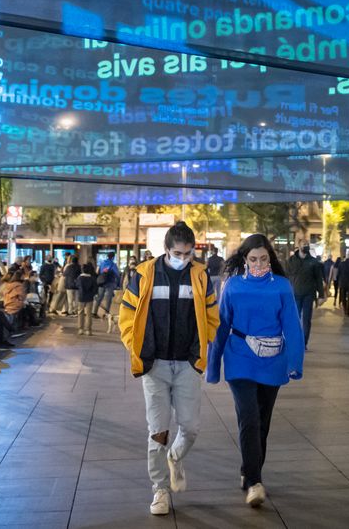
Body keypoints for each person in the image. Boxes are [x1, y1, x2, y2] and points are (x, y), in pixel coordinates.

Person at [118, 221, 219, 516]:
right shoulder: (144, 274)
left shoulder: (200, 276)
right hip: (155, 365)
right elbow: (126, 315)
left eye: (189, 253)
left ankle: (175, 457)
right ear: (166, 250)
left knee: (190, 427)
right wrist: (136, 348)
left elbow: (212, 315)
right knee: (158, 431)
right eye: (178, 253)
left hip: (187, 365)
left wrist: (200, 349)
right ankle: (160, 490)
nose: (184, 258)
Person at [208, 234, 304, 507]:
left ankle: (248, 471)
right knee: (248, 418)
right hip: (240, 359)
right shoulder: (233, 286)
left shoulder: (282, 287)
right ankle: (254, 481)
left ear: (270, 259)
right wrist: (213, 367)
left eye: (263, 258)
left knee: (262, 422)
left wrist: (295, 363)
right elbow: (222, 325)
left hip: (273, 360)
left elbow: (292, 327)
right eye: (253, 259)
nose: (259, 263)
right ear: (245, 259)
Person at [285, 240, 325, 349]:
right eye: (304, 244)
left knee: (306, 320)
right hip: (295, 295)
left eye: (307, 245)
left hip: (309, 295)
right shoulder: (291, 261)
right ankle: (294, 340)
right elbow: (285, 278)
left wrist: (321, 295)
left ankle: (303, 343)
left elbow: (318, 279)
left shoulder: (313, 262)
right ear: (299, 246)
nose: (306, 246)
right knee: (295, 319)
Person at [94, 252, 121, 320]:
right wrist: (118, 284)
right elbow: (117, 275)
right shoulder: (113, 264)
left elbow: (99, 272)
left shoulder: (102, 263)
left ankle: (94, 312)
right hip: (110, 283)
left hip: (102, 283)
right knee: (108, 299)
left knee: (99, 298)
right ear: (113, 257)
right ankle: (106, 314)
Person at [77, 262, 97, 336]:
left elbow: (77, 285)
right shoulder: (92, 278)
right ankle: (88, 330)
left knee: (80, 313)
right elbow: (95, 288)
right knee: (88, 314)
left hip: (81, 298)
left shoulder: (80, 278)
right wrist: (92, 294)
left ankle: (80, 329)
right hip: (89, 298)